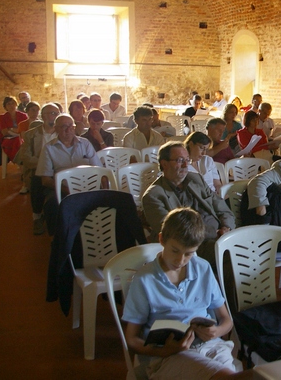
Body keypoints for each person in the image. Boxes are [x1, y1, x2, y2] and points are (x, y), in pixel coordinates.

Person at [122, 208, 235, 380]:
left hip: (210, 346)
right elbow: (131, 339)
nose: (180, 260)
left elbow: (226, 320)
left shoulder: (203, 268)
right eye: (175, 251)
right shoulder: (144, 279)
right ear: (161, 240)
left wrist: (216, 331)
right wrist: (164, 350)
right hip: (169, 356)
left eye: (189, 254)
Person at [142, 142, 235, 263]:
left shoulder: (196, 179)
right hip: (189, 246)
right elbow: (174, 231)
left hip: (220, 235)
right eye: (180, 160)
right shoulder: (154, 195)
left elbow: (221, 206)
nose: (186, 165)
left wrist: (226, 227)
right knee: (231, 255)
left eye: (187, 160)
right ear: (164, 164)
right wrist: (215, 233)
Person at [35, 114, 102, 233]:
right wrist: (66, 190)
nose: (68, 130)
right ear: (56, 129)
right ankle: (59, 239)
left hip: (88, 185)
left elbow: (98, 168)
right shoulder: (49, 148)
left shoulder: (85, 143)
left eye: (71, 126)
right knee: (52, 205)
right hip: (62, 188)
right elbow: (45, 179)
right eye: (63, 126)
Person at [20, 103, 60, 233]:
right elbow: (25, 157)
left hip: (59, 170)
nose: (54, 117)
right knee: (38, 179)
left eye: (56, 114)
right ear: (43, 116)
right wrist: (45, 165)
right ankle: (36, 216)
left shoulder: (63, 133)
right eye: (52, 113)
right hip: (39, 169)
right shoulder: (31, 135)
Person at [0, 96, 28, 162]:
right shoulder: (2, 117)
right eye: (8, 104)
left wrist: (10, 129)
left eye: (13, 103)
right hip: (9, 139)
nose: (11, 105)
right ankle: (20, 162)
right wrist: (18, 130)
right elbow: (4, 132)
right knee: (17, 142)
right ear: (5, 106)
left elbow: (25, 129)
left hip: (22, 138)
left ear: (16, 104)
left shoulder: (23, 115)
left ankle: (20, 162)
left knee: (20, 141)